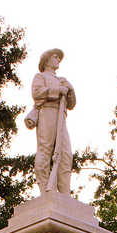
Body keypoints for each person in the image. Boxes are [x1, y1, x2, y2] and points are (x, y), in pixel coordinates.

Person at [30, 49, 76, 195]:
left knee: (66, 154)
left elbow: (71, 104)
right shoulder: (40, 76)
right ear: (47, 60)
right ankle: (44, 188)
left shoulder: (62, 80)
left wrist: (70, 90)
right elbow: (36, 93)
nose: (58, 60)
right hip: (47, 112)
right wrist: (57, 90)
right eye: (55, 57)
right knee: (45, 149)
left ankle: (64, 192)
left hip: (61, 115)